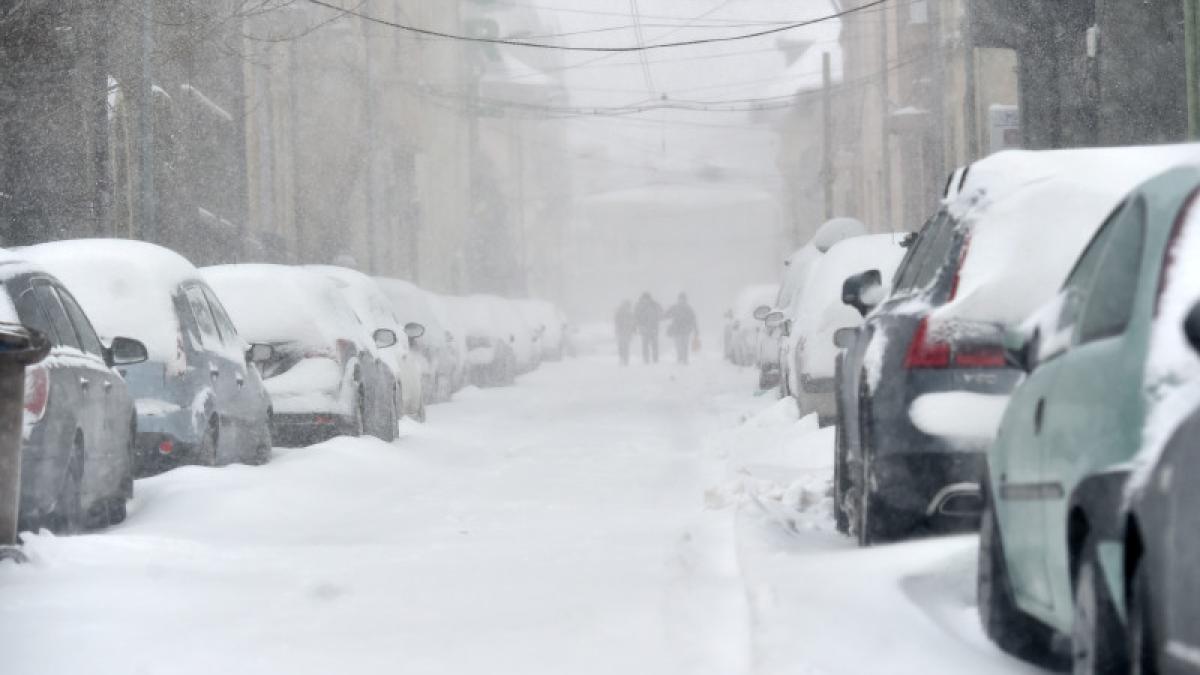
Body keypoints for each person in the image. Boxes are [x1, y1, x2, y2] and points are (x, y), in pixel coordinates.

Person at [665, 293, 698, 365]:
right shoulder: (675, 307)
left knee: (685, 345)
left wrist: (696, 330)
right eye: (680, 299)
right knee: (679, 346)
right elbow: (667, 314)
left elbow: (693, 320)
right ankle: (680, 358)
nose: (681, 301)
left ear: (685, 300)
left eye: (683, 299)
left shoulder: (688, 309)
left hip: (685, 330)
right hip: (677, 330)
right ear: (678, 299)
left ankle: (685, 359)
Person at [634, 292, 662, 364]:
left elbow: (660, 313)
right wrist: (638, 325)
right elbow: (636, 316)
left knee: (654, 345)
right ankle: (646, 359)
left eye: (647, 299)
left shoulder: (654, 305)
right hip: (645, 328)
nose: (646, 300)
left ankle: (655, 359)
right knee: (645, 344)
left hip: (653, 328)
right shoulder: (639, 306)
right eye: (645, 299)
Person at [614, 300, 635, 366]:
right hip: (624, 331)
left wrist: (632, 329)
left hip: (624, 332)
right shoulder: (626, 313)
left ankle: (624, 359)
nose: (628, 307)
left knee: (624, 346)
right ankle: (624, 359)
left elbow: (633, 322)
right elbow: (617, 321)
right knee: (623, 346)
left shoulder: (626, 313)